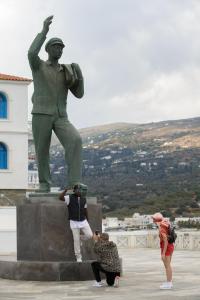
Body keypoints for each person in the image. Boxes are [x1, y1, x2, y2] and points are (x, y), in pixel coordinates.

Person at [28, 16, 84, 192]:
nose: (59, 50)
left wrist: (79, 75)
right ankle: (45, 183)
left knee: (75, 140)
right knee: (42, 150)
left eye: (61, 47)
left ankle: (75, 182)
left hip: (61, 115)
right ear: (48, 49)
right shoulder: (39, 66)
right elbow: (30, 53)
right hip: (41, 113)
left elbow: (79, 94)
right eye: (56, 46)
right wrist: (44, 31)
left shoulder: (66, 70)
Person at [59, 183, 93, 262]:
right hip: (74, 221)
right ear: (74, 191)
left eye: (80, 190)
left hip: (83, 220)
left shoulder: (83, 199)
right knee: (76, 240)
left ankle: (80, 238)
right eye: (78, 189)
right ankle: (78, 256)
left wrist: (88, 220)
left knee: (90, 235)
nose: (79, 191)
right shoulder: (69, 198)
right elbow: (60, 198)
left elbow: (85, 210)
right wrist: (65, 190)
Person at [152, 212, 174, 289]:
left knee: (167, 266)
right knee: (168, 266)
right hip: (171, 246)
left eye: (153, 219)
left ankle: (169, 284)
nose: (153, 221)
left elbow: (165, 241)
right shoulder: (166, 223)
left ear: (156, 220)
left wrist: (163, 253)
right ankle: (169, 282)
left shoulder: (161, 228)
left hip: (166, 247)